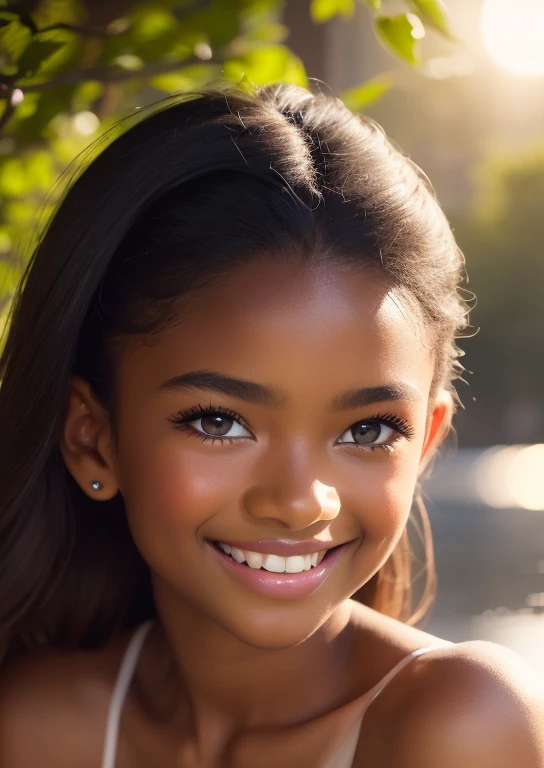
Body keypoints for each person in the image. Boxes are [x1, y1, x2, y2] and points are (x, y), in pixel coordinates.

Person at [0, 83, 542, 768]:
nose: (297, 502)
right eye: (219, 422)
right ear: (91, 439)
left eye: (369, 431)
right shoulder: (39, 727)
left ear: (426, 442)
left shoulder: (461, 724)